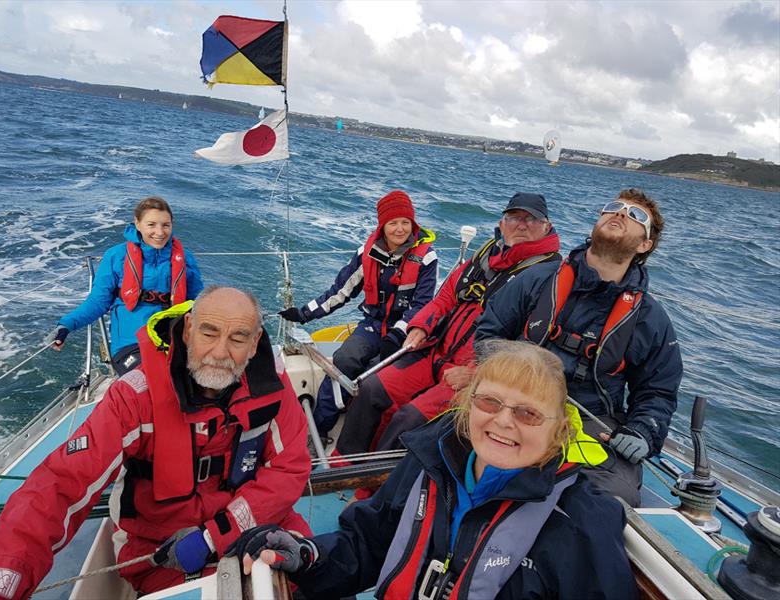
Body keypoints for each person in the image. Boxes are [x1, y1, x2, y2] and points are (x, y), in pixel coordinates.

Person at [230, 342, 637, 600]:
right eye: (490, 403)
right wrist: (308, 555)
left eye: (528, 413)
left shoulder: (582, 523)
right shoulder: (429, 467)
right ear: (468, 407)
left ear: (558, 431)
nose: (503, 422)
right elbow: (367, 547)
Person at [0, 287, 311, 598]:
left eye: (238, 338)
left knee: (318, 576)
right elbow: (60, 485)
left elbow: (289, 467)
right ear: (187, 329)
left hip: (260, 522)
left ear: (254, 346)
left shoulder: (270, 385)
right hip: (161, 548)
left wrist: (215, 536)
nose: (220, 352)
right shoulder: (135, 397)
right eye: (209, 333)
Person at [475, 188, 683, 507]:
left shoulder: (650, 319)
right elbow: (488, 336)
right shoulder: (538, 279)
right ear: (596, 223)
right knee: (441, 442)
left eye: (636, 215)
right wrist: (521, 374)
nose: (621, 214)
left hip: (593, 421)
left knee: (612, 498)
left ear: (645, 244)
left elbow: (658, 391)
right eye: (614, 207)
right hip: (518, 399)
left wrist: (643, 431)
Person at [333, 192, 560, 464]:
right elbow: (445, 297)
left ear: (546, 226)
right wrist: (420, 327)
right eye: (514, 217)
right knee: (372, 389)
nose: (521, 225)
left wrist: (477, 374)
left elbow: (528, 347)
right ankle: (341, 464)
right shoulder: (487, 253)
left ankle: (371, 486)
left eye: (531, 219)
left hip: (475, 373)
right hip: (436, 351)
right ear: (502, 223)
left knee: (410, 418)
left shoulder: (549, 277)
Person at [280, 190, 437, 439]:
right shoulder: (366, 253)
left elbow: (423, 304)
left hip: (404, 334)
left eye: (405, 222)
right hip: (373, 325)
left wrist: (398, 333)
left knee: (379, 377)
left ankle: (363, 435)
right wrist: (303, 313)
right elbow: (340, 292)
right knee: (344, 361)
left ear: (413, 223)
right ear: (382, 226)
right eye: (393, 223)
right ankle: (318, 429)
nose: (400, 229)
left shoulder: (427, 257)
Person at [45, 196, 204, 376]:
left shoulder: (185, 258)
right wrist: (66, 325)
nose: (160, 232)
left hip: (173, 338)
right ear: (137, 223)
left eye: (166, 225)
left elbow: (198, 302)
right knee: (151, 379)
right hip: (131, 342)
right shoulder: (116, 256)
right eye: (151, 224)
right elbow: (97, 303)